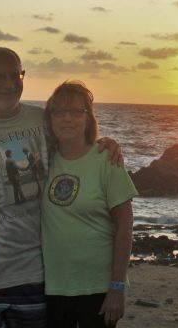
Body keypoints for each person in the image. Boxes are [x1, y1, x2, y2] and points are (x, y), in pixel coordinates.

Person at [0, 48, 122, 328]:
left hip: (36, 279)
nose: (7, 84)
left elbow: (76, 142)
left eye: (14, 75)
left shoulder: (41, 121)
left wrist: (107, 144)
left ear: (23, 76)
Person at [42, 80, 137, 328]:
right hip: (52, 286)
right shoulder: (42, 161)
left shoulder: (106, 160)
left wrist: (117, 287)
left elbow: (125, 228)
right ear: (50, 119)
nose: (67, 119)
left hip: (98, 287)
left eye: (76, 111)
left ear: (88, 118)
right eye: (59, 112)